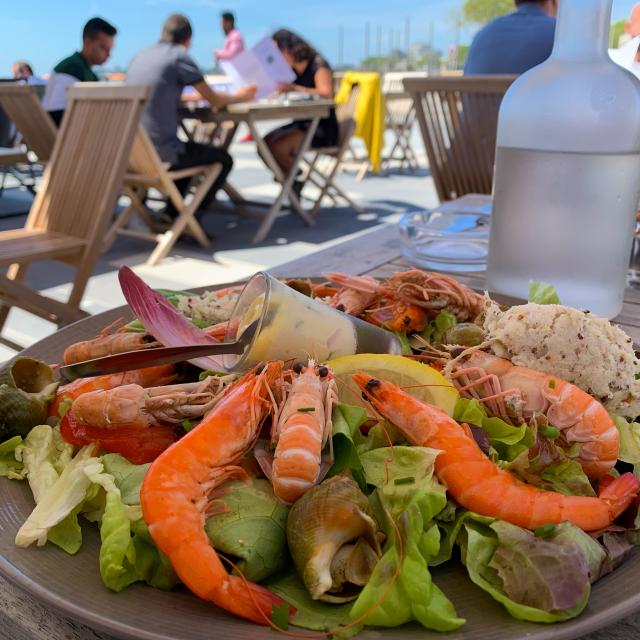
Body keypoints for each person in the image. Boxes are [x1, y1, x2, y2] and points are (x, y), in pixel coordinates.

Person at [126, 13, 256, 219]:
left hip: (131, 155)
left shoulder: (140, 56)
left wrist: (185, 99)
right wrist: (240, 96)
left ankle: (173, 212)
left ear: (162, 33)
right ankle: (192, 218)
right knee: (222, 159)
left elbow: (157, 94)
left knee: (187, 150)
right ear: (187, 40)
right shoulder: (178, 55)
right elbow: (214, 100)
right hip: (162, 154)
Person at [263, 29, 338, 194]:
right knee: (263, 144)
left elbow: (327, 94)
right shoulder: (292, 71)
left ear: (289, 48)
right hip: (302, 123)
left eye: (278, 52)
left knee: (278, 147)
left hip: (322, 126)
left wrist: (295, 88)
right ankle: (292, 179)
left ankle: (291, 181)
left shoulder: (318, 63)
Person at [42, 17, 117, 125]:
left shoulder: (82, 69)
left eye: (110, 49)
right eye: (104, 48)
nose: (109, 55)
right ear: (87, 43)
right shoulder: (71, 69)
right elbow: (56, 115)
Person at [464, 0, 557, 75]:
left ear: (515, 2)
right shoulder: (559, 33)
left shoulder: (482, 36)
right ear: (553, 2)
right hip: (534, 98)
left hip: (482, 98)